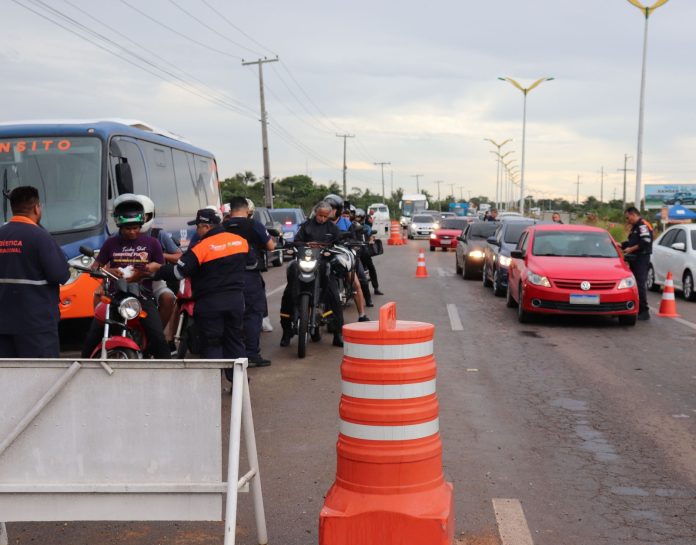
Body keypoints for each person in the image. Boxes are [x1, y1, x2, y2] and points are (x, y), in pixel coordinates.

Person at [147, 208, 248, 362]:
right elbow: (252, 263)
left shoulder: (201, 247)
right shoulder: (240, 241)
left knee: (212, 343)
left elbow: (179, 272)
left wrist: (157, 269)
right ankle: (239, 384)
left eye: (198, 226)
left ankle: (213, 385)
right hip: (236, 301)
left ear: (206, 227)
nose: (196, 229)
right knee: (235, 340)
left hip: (210, 303)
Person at [81, 195, 170, 359]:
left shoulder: (152, 244)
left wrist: (149, 270)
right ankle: (82, 368)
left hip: (142, 297)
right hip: (115, 297)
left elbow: (162, 268)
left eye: (136, 227)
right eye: (128, 228)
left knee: (158, 338)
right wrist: (111, 270)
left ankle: (168, 372)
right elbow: (96, 266)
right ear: (119, 226)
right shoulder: (110, 243)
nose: (132, 232)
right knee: (92, 337)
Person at [0, 186, 70, 357]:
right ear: (36, 208)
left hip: (3, 322)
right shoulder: (40, 236)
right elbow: (59, 275)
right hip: (36, 325)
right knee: (42, 376)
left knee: (7, 376)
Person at [279, 200, 345, 347]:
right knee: (287, 294)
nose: (322, 218)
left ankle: (338, 333)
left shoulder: (332, 228)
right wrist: (305, 245)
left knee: (334, 296)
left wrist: (329, 248)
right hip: (304, 264)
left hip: (323, 265)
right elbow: (296, 241)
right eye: (320, 215)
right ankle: (286, 332)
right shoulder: (305, 226)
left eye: (325, 216)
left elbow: (339, 243)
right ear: (316, 212)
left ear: (329, 215)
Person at [224, 197, 275, 367]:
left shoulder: (222, 227)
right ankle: (252, 354)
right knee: (253, 313)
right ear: (247, 210)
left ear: (231, 210)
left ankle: (232, 354)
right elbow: (270, 246)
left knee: (231, 314)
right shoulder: (254, 225)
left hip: (226, 277)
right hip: (250, 275)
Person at [134, 194, 182, 336]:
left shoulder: (158, 234)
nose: (132, 230)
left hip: (153, 279)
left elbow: (179, 255)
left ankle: (157, 335)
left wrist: (160, 257)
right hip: (126, 278)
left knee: (168, 299)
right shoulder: (117, 236)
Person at [621, 206, 653, 321]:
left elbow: (645, 241)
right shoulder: (636, 226)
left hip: (641, 258)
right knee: (633, 284)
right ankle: (637, 308)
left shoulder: (643, 225)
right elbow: (632, 241)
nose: (627, 220)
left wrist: (631, 249)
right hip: (635, 258)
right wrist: (621, 245)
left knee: (639, 284)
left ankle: (644, 311)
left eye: (627, 217)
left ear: (633, 214)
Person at [356, 208, 384, 297]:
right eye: (356, 217)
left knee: (371, 267)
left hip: (364, 250)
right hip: (354, 250)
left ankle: (376, 288)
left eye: (359, 217)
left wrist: (371, 240)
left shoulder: (366, 227)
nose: (358, 219)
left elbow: (370, 235)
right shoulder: (351, 225)